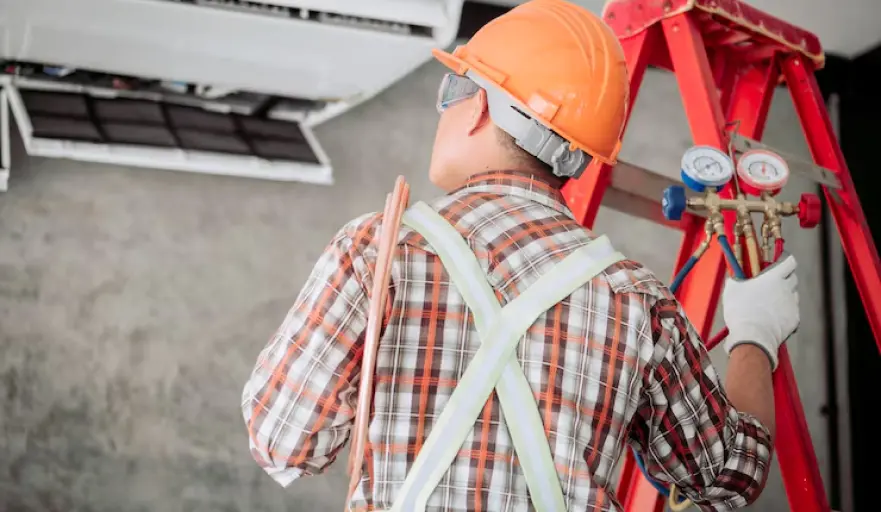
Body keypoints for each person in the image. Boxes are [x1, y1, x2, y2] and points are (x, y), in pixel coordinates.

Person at [240, 0, 800, 510]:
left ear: (478, 103)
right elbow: (729, 475)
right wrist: (755, 335)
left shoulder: (378, 250)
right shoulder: (637, 299)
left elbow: (283, 443)